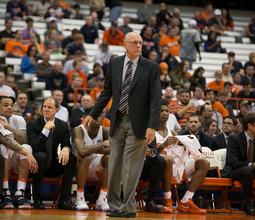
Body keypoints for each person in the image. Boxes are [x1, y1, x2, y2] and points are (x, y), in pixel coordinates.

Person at [83, 32, 161, 218]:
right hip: (118, 120)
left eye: (141, 43)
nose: (138, 46)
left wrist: (152, 126)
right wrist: (93, 114)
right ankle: (115, 206)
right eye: (135, 43)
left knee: (131, 167)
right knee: (115, 165)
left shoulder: (150, 67)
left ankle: (128, 208)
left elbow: (155, 98)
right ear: (125, 45)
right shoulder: (115, 63)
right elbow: (107, 91)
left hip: (139, 124)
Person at [27, 97, 76, 210]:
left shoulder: (63, 125)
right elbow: (36, 147)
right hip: (36, 166)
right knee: (40, 155)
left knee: (71, 158)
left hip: (52, 164)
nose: (46, 109)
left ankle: (63, 200)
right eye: (44, 107)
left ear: (56, 110)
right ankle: (38, 198)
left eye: (50, 107)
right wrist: (45, 130)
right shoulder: (33, 125)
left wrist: (66, 149)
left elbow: (66, 143)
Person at [156, 108, 209, 214]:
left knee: (204, 163)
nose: (165, 113)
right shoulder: (151, 132)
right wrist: (164, 144)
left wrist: (190, 146)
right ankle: (167, 199)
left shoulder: (174, 132)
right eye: (161, 110)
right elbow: (150, 154)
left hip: (176, 166)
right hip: (159, 166)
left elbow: (181, 153)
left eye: (167, 110)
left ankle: (185, 200)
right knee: (168, 159)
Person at [0, 95, 37, 209]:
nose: (10, 108)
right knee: (3, 147)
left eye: (11, 105)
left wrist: (8, 126)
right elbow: (6, 141)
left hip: (15, 158)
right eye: (6, 105)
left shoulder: (19, 119)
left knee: (27, 147)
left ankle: (20, 193)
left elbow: (23, 140)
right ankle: (5, 192)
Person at [71, 107, 110, 211]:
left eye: (101, 115)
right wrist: (102, 145)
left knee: (110, 158)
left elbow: (114, 150)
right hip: (77, 168)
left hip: (97, 167)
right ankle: (79, 197)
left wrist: (88, 149)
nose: (98, 118)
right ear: (86, 118)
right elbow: (82, 152)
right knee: (86, 157)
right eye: (94, 115)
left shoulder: (106, 131)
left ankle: (102, 199)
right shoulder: (78, 130)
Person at [221, 113, 255, 215]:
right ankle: (248, 202)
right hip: (234, 171)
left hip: (250, 171)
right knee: (248, 171)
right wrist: (251, 165)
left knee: (249, 171)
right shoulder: (234, 139)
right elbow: (233, 162)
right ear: (250, 126)